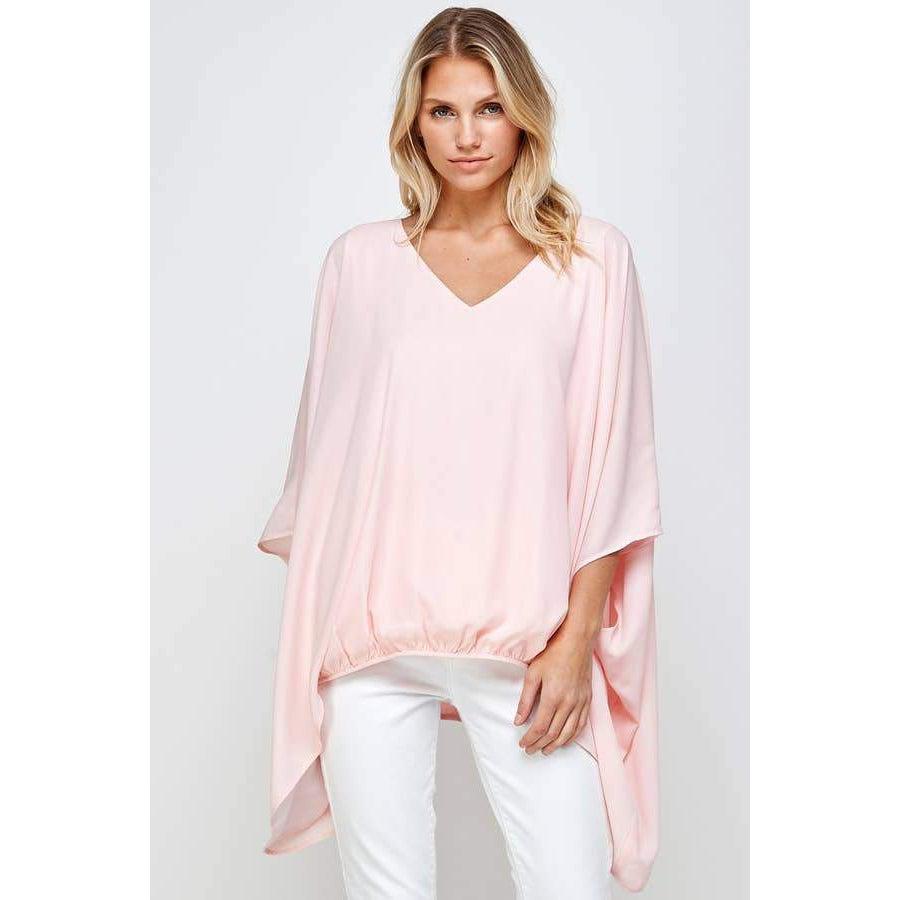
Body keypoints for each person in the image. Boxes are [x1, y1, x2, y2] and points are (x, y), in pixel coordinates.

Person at [256, 7, 663, 898]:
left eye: (489, 108)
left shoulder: (591, 262)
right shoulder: (359, 264)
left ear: (524, 116)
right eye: (443, 111)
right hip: (372, 645)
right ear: (414, 123)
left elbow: (615, 464)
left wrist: (577, 639)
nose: (467, 135)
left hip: (526, 644)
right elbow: (329, 469)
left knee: (570, 884)